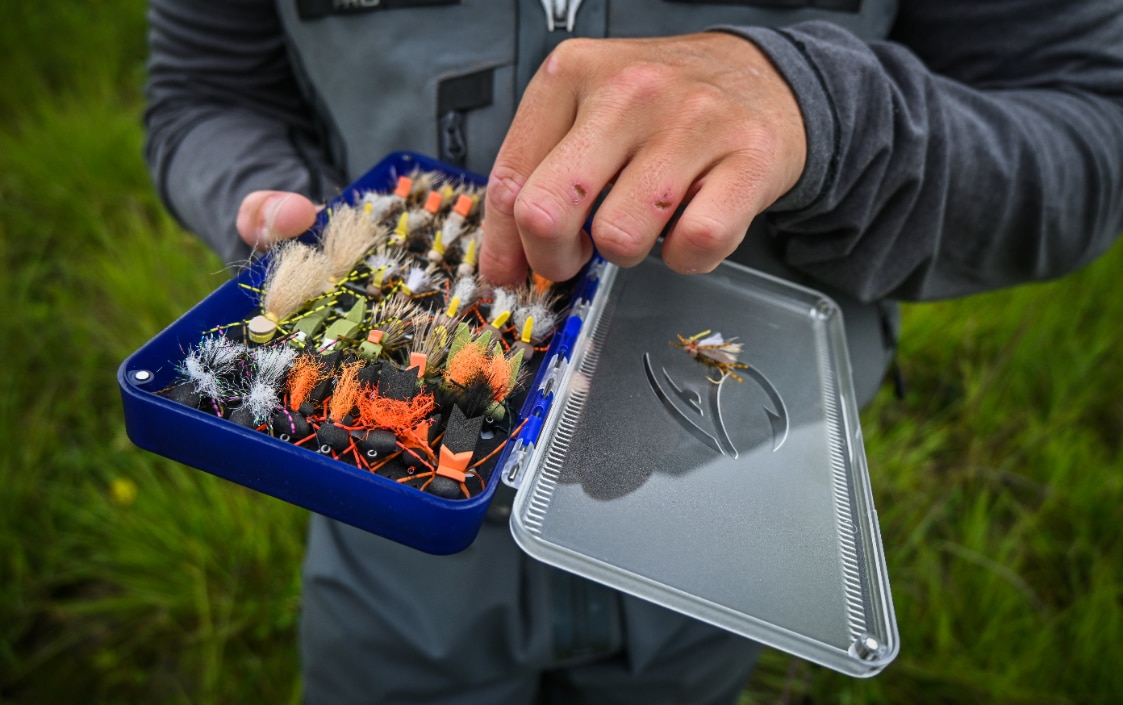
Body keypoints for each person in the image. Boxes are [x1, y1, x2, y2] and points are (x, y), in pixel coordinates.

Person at [144, 2, 1123, 703]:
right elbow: (203, 96)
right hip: (386, 536)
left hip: (720, 514)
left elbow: (1088, 136)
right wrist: (281, 212)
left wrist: (821, 110)